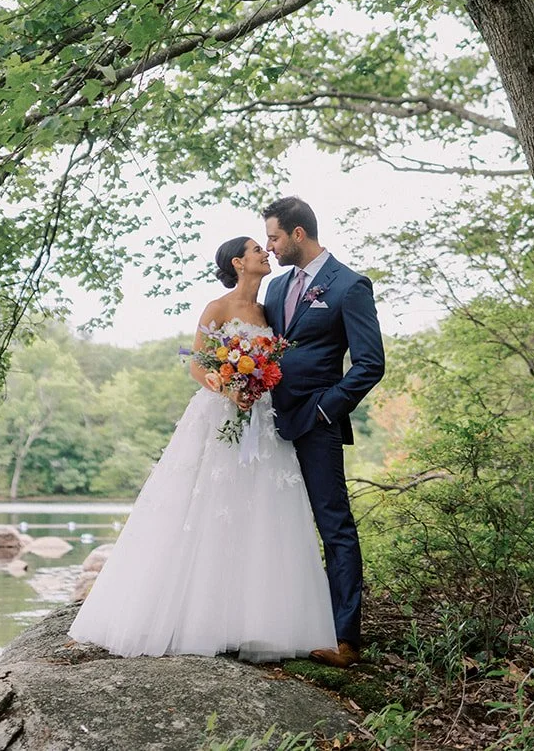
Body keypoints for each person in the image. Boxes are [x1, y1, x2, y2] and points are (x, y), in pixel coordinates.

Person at [68, 236, 337, 661]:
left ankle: (253, 621)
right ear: (238, 262)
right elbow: (197, 363)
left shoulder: (268, 313)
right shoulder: (217, 308)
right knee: (207, 506)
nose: (264, 253)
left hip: (262, 418)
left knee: (260, 509)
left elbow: (274, 364)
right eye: (255, 250)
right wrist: (229, 387)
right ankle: (188, 618)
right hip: (219, 414)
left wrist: (258, 383)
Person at [262, 196, 385, 669]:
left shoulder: (350, 285)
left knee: (334, 527)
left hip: (318, 424)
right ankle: (281, 623)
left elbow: (370, 364)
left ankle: (345, 639)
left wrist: (325, 410)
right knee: (273, 525)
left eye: (274, 237)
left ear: (297, 234)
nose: (269, 247)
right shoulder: (274, 288)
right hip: (270, 425)